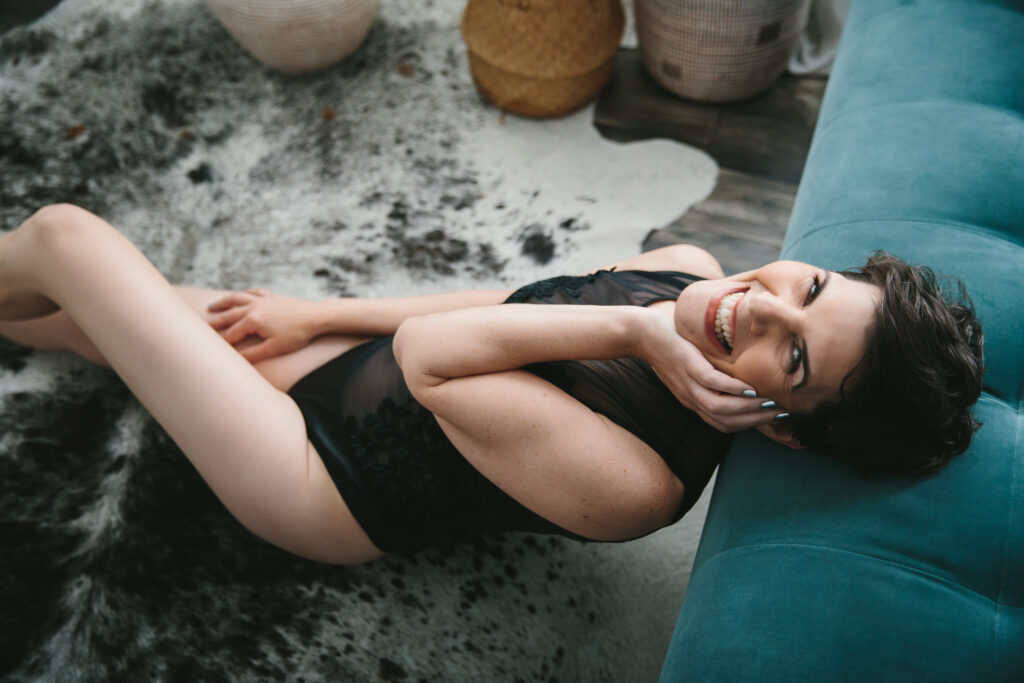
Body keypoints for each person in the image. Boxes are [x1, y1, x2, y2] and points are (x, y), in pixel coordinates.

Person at [0, 204, 984, 564]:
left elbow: (435, 358)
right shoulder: (687, 264)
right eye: (809, 288)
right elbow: (512, 297)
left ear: (782, 426)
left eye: (795, 357)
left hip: (319, 471)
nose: (761, 305)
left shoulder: (634, 485)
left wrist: (635, 332)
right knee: (83, 320)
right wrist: (317, 311)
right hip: (352, 369)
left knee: (67, 239)